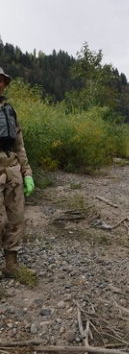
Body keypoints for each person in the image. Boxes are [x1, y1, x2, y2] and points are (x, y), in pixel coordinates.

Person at [0, 67, 35, 277]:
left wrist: (27, 173)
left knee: (17, 219)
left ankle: (11, 265)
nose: (0, 83)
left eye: (2, 80)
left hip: (13, 169)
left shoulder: (10, 111)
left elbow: (20, 145)